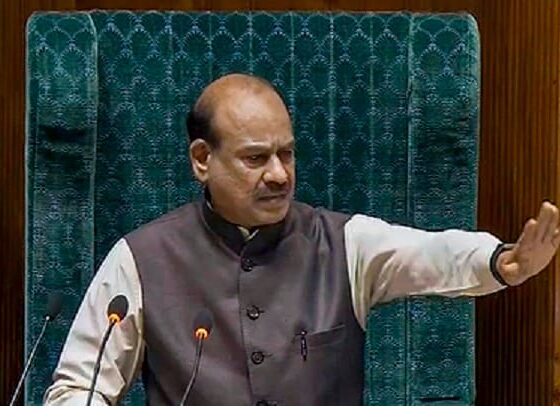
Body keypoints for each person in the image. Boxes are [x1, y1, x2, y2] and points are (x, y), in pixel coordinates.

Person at [44, 73, 560, 405]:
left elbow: (430, 253)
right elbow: (76, 388)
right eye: (255, 158)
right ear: (202, 159)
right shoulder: (141, 258)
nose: (278, 174)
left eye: (286, 154)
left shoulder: (344, 244)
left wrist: (501, 261)